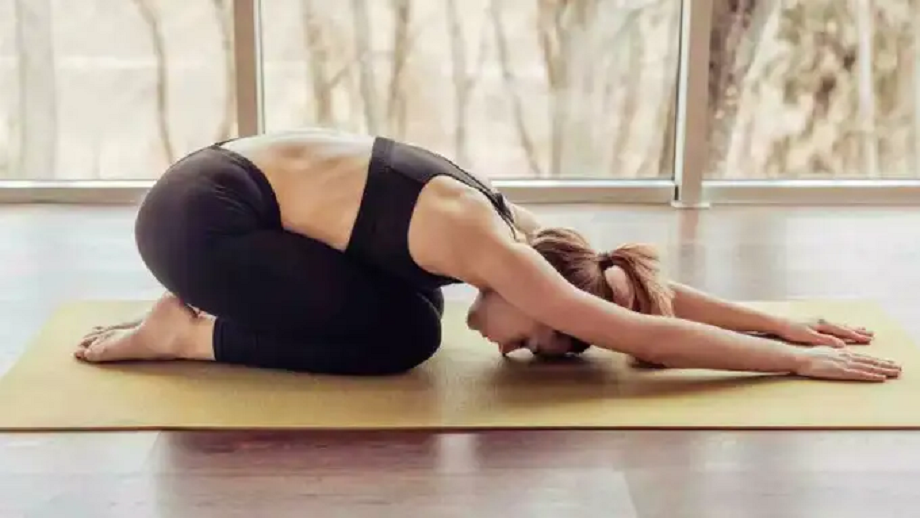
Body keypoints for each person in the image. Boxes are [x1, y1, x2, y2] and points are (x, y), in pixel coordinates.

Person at [76, 128, 901, 382]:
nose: (508, 347)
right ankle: (187, 335)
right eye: (537, 339)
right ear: (540, 296)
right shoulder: (490, 246)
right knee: (405, 337)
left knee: (413, 308)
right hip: (199, 225)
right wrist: (792, 361)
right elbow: (637, 331)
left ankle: (193, 324)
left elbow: (634, 290)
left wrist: (776, 323)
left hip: (211, 192)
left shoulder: (517, 231)